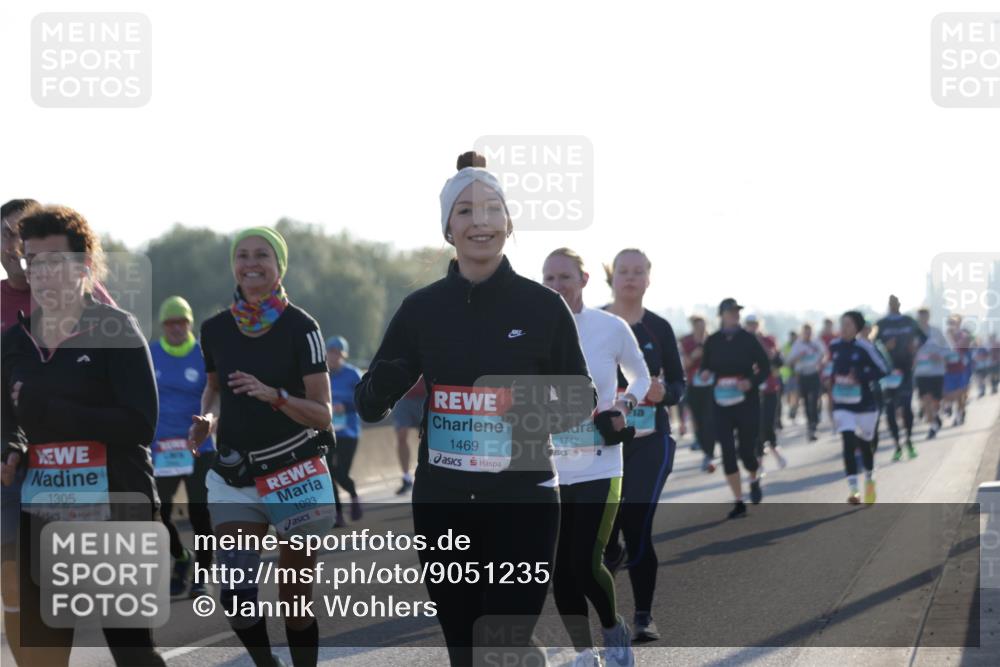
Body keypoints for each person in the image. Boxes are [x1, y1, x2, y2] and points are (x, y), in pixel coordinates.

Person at [354, 152, 596, 667]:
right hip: (443, 502)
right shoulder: (421, 309)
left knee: (502, 645)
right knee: (466, 652)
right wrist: (389, 380)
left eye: (490, 209)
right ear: (447, 229)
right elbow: (369, 403)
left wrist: (521, 419)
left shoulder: (542, 306)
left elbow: (581, 398)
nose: (478, 221)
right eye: (463, 211)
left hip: (523, 499)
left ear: (509, 223)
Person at [1, 204, 165, 666]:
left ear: (84, 267)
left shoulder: (116, 328)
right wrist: (10, 448)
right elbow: (7, 420)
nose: (42, 275)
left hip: (117, 504)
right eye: (33, 262)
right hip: (44, 507)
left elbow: (140, 423)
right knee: (41, 655)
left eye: (55, 263)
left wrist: (55, 410)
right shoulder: (14, 342)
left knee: (133, 652)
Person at [188, 226, 334, 667]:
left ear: (279, 266)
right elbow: (214, 390)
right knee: (236, 593)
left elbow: (323, 412)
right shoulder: (214, 329)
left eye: (262, 255)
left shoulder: (302, 327)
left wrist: (275, 396)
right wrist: (207, 421)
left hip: (296, 472)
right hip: (235, 476)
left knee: (295, 602)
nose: (251, 263)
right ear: (233, 265)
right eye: (243, 255)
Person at [543, 248, 646, 667]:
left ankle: (612, 627)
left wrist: (623, 407)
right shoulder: (533, 330)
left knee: (585, 562)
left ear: (584, 280)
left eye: (565, 277)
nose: (556, 286)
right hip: (549, 466)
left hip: (601, 463)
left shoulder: (610, 327)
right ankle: (585, 652)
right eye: (549, 278)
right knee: (559, 571)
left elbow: (641, 374)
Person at [601, 248, 686, 643]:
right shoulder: (593, 322)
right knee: (605, 530)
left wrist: (662, 390)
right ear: (611, 277)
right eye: (623, 271)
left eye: (638, 272)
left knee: (636, 523)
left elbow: (680, 387)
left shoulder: (659, 328)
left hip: (650, 441)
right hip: (597, 441)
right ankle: (610, 563)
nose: (630, 278)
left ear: (648, 279)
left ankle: (643, 616)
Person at [150, 295, 217, 598]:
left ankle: (202, 577)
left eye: (182, 321)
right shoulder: (150, 354)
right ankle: (181, 558)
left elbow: (216, 398)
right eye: (170, 322)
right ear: (163, 325)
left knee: (200, 514)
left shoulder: (204, 356)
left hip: (199, 448)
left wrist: (208, 422)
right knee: (157, 514)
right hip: (161, 448)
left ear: (190, 324)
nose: (176, 327)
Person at [698, 298, 770, 519]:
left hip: (746, 402)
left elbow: (765, 367)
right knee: (728, 452)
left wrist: (751, 382)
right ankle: (739, 501)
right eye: (731, 311)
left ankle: (754, 477)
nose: (735, 314)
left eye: (737, 311)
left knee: (746, 451)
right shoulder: (713, 340)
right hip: (720, 403)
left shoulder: (748, 339)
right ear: (722, 314)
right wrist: (705, 374)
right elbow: (705, 367)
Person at [829, 312, 888, 504]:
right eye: (842, 324)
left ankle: (869, 480)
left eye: (848, 324)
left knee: (865, 445)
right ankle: (854, 490)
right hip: (842, 403)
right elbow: (830, 369)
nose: (844, 327)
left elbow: (883, 369)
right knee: (847, 442)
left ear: (857, 327)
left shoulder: (865, 347)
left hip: (864, 404)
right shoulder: (834, 346)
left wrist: (861, 376)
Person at [875, 295, 925, 459]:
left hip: (906, 370)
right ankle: (897, 445)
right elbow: (872, 344)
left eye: (896, 302)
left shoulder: (908, 321)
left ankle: (909, 441)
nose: (893, 305)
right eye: (891, 303)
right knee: (890, 411)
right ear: (888, 305)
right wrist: (884, 346)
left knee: (906, 407)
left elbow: (922, 338)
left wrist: (915, 346)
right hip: (888, 373)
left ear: (899, 304)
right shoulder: (882, 324)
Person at [325, 335, 364, 525]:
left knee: (341, 473)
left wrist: (345, 407)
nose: (333, 357)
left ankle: (353, 493)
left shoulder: (353, 374)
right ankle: (337, 514)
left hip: (348, 432)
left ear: (344, 355)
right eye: (331, 353)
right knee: (328, 473)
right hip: (327, 432)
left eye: (337, 353)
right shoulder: (321, 374)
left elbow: (364, 401)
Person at [744, 314, 787, 469]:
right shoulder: (742, 341)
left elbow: (777, 360)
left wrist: (763, 345)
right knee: (756, 426)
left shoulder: (769, 340)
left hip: (770, 388)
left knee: (768, 423)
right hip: (751, 391)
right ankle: (760, 462)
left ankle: (774, 449)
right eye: (749, 323)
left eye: (755, 323)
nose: (752, 326)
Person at [681, 314, 715, 472]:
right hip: (693, 386)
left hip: (711, 387)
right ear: (693, 327)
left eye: (703, 326)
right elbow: (685, 363)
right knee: (698, 420)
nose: (700, 329)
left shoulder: (712, 340)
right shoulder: (686, 341)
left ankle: (709, 453)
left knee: (709, 419)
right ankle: (703, 445)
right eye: (697, 326)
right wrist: (696, 353)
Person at [787, 324, 826, 442]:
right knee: (806, 401)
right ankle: (810, 424)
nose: (808, 335)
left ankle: (814, 423)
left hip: (814, 374)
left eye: (809, 332)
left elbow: (824, 354)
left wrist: (821, 362)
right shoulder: (797, 345)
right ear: (802, 333)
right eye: (805, 332)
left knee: (814, 400)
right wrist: (799, 356)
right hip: (802, 376)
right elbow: (789, 361)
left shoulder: (816, 343)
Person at [914, 308, 948, 440]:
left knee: (935, 400)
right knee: (925, 399)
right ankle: (933, 424)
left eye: (925, 316)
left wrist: (939, 356)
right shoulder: (914, 333)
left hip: (936, 371)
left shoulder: (936, 331)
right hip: (921, 372)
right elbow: (909, 350)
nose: (923, 318)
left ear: (928, 317)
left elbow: (946, 348)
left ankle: (936, 417)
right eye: (920, 316)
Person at [392, 379, 425, 495]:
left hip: (425, 396)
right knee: (401, 436)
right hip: (403, 398)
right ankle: (406, 478)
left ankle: (427, 472)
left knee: (426, 438)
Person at [942, 315, 972, 427]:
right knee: (949, 394)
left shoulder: (963, 335)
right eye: (949, 323)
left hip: (962, 369)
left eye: (953, 323)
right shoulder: (943, 337)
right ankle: (953, 410)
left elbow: (963, 346)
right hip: (948, 370)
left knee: (961, 395)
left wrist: (952, 339)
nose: (951, 325)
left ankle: (959, 414)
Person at [781, 330, 800, 423]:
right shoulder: (785, 347)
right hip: (788, 373)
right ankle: (791, 406)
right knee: (788, 394)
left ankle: (794, 409)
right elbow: (783, 359)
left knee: (796, 393)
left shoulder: (799, 346)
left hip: (797, 374)